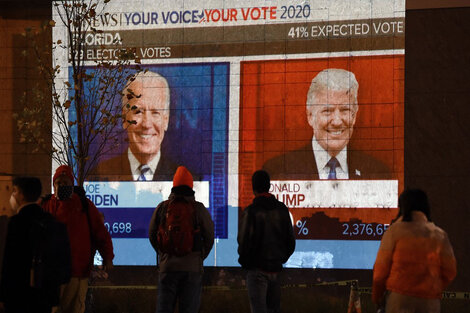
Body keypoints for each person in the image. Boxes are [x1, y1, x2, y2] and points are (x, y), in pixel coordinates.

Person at [263, 68, 391, 180]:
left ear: (354, 115)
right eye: (327, 111)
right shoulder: (278, 171)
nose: (336, 121)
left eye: (345, 110)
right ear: (310, 116)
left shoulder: (378, 172)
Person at [42, 165, 114, 313]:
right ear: (53, 184)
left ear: (72, 184)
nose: (61, 186)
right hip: (54, 272)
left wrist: (108, 257)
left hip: (78, 270)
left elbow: (100, 232)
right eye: (58, 183)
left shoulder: (84, 205)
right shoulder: (47, 205)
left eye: (65, 183)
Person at [372, 189, 457, 313]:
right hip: (429, 303)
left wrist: (377, 297)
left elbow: (380, 272)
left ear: (402, 207)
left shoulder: (394, 232)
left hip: (399, 300)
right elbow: (450, 271)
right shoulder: (439, 235)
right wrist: (432, 288)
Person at [148, 166, 214, 313]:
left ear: (174, 186)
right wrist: (199, 256)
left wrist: (162, 253)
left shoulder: (163, 208)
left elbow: (152, 234)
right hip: (192, 269)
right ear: (191, 186)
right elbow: (209, 236)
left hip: (167, 268)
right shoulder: (198, 209)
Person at [91, 70, 178, 181]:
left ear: (166, 120)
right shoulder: (98, 175)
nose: (146, 124)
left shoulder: (188, 180)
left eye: (155, 112)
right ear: (124, 119)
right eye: (138, 112)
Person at [0, 177, 70, 313]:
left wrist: (3, 295)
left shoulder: (14, 224)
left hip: (17, 295)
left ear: (21, 194)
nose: (12, 195)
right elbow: (63, 260)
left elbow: (7, 263)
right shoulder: (52, 223)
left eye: (14, 191)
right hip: (45, 295)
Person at [237, 170, 296, 313]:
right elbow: (290, 243)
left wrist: (247, 264)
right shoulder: (282, 209)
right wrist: (279, 260)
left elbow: (243, 243)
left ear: (253, 188)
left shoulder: (251, 212)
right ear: (269, 186)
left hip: (256, 271)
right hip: (276, 270)